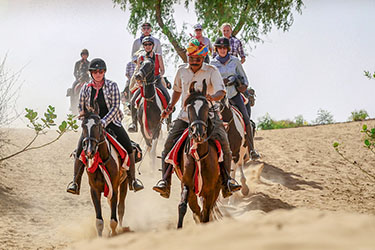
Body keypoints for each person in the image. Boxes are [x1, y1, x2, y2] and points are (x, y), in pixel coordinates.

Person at [152, 39, 242, 199]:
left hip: (209, 116)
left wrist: (212, 97)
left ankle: (227, 181)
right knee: (168, 145)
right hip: (186, 116)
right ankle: (165, 182)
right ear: (187, 57)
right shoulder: (181, 71)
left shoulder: (212, 71)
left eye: (197, 59)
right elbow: (178, 90)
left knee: (225, 145)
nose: (194, 62)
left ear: (203, 58)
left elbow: (221, 92)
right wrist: (170, 107)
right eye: (191, 58)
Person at [66, 58, 144, 195]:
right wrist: (83, 114)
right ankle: (75, 182)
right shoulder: (85, 88)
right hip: (93, 125)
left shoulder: (112, 85)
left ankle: (132, 180)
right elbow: (81, 105)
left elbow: (115, 107)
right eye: (95, 71)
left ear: (104, 72)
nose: (98, 74)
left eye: (100, 71)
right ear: (91, 73)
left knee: (127, 146)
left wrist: (103, 122)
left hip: (112, 122)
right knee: (79, 150)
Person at [211, 37, 259, 160]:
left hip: (233, 95)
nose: (222, 50)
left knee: (246, 118)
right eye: (220, 48)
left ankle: (251, 149)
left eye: (224, 48)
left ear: (228, 49)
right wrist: (222, 82)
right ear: (216, 49)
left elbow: (245, 78)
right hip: (218, 98)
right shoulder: (212, 64)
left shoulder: (235, 61)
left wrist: (240, 84)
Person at [128, 36, 170, 133]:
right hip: (145, 82)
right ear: (143, 46)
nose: (147, 46)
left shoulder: (158, 56)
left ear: (153, 45)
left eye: (149, 44)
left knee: (167, 96)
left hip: (156, 80)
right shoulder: (141, 57)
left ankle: (169, 122)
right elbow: (138, 70)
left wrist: (160, 75)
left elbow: (162, 70)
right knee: (133, 99)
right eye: (145, 44)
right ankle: (133, 123)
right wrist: (138, 81)